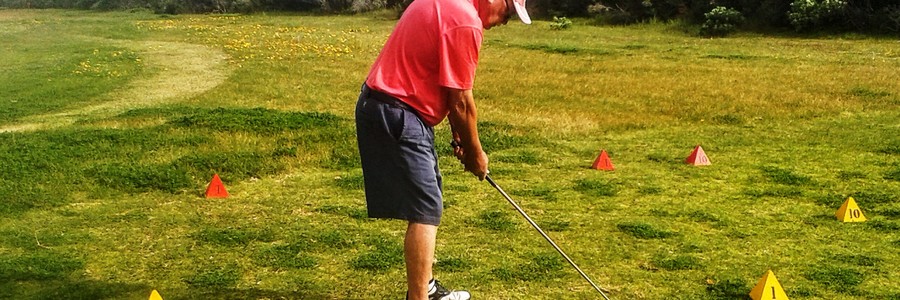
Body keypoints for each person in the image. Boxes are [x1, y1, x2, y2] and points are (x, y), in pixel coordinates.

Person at [354, 0, 531, 299]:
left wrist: (460, 135)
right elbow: (461, 101)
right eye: (509, 12)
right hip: (399, 112)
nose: (505, 21)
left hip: (384, 106)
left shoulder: (447, 3)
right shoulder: (465, 21)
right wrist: (476, 154)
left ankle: (427, 287)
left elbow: (445, 85)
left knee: (428, 195)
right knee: (426, 210)